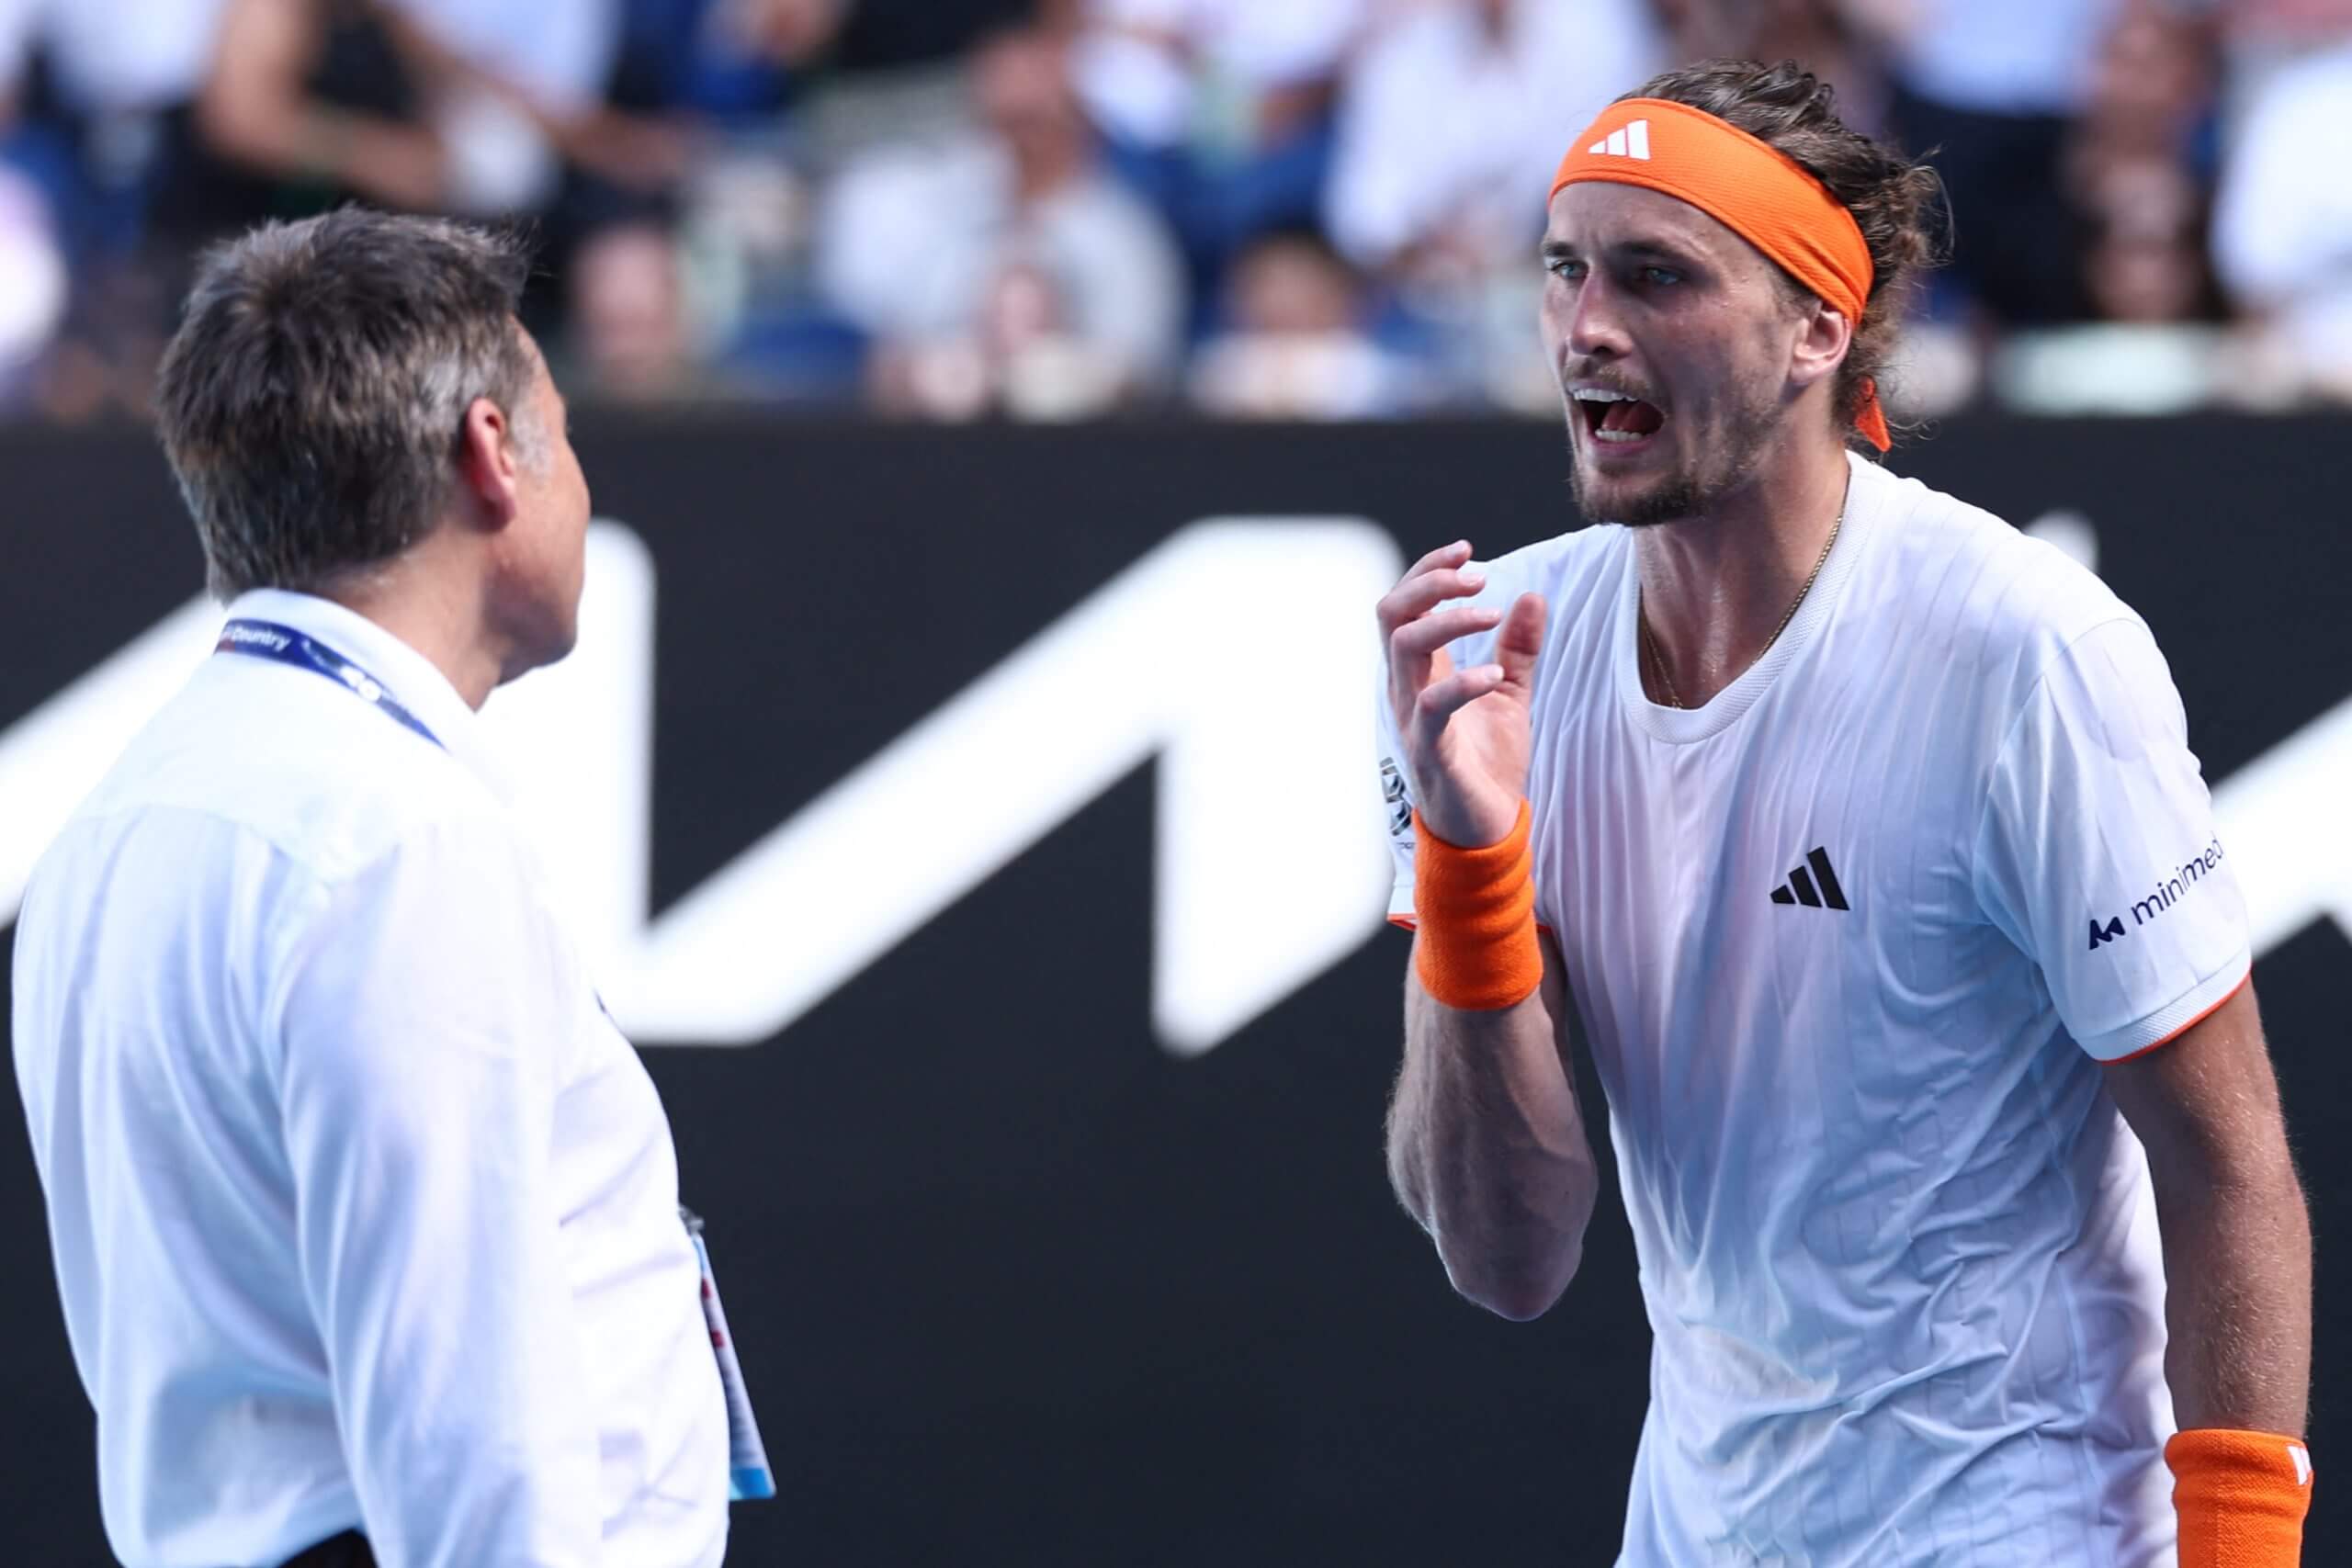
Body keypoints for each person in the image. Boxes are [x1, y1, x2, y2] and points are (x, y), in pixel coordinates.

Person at [1374, 59, 2312, 1566]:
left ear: (1820, 329)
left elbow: (2228, 1168)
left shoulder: (2028, 653)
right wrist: (1473, 867)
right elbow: (1509, 1257)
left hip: (2028, 1525)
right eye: (1565, 270)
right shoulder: (1495, 654)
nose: (1587, 327)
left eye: (1656, 274)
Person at [10, 209, 749, 1568]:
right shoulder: (392, 841)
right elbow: (475, 1445)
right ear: (491, 454)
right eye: (566, 431)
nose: (581, 476)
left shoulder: (113, 832)